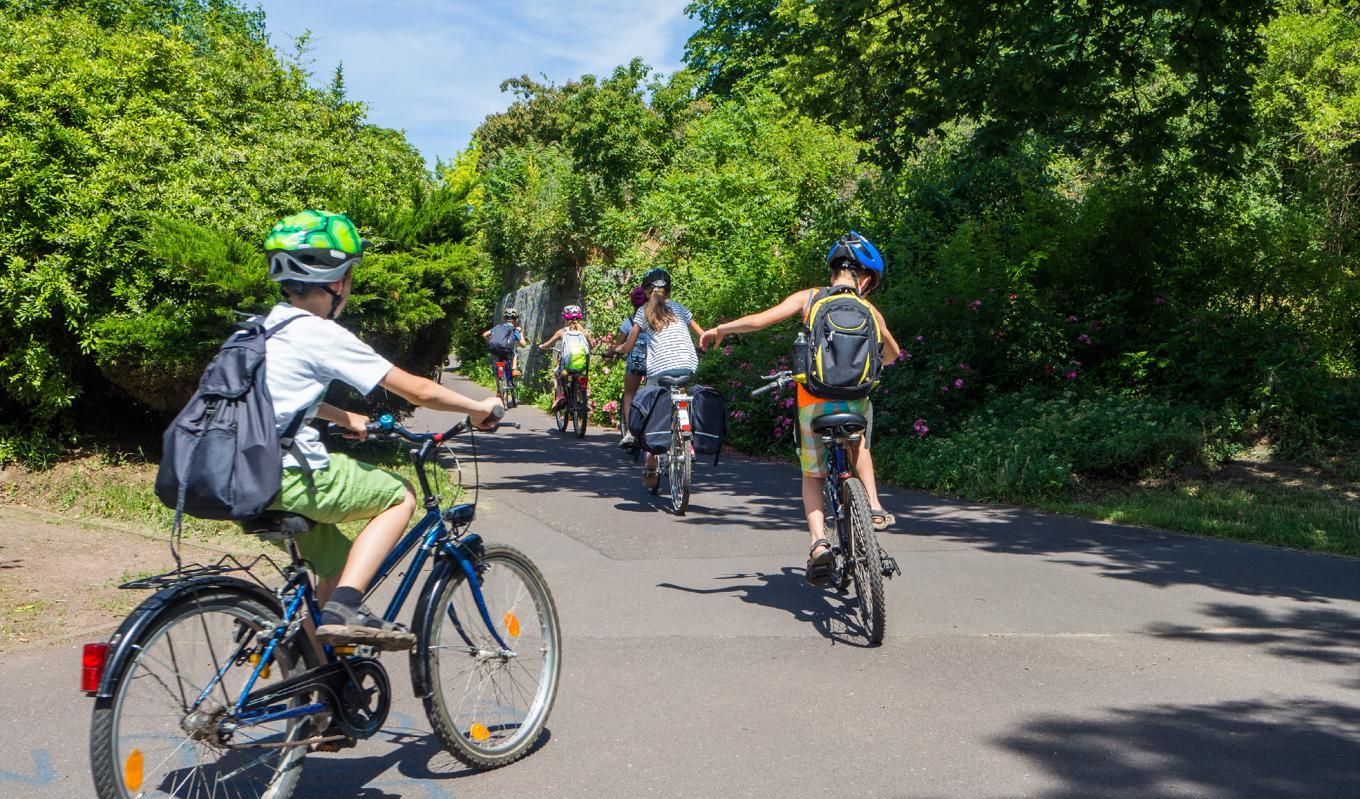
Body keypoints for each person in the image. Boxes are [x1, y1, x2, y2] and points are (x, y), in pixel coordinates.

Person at [261, 210, 500, 649]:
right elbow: (417, 390)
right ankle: (347, 607)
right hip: (288, 475)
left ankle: (316, 696)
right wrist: (478, 406)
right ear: (336, 280)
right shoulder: (318, 332)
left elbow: (280, 398)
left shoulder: (263, 329)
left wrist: (344, 417)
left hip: (241, 481)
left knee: (333, 569)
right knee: (400, 494)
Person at [700, 232, 901, 584]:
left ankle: (819, 543)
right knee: (860, 442)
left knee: (812, 476)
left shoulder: (811, 298)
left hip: (812, 404)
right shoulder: (869, 309)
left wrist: (720, 329)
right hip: (854, 402)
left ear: (833, 270)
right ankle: (874, 505)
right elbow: (893, 354)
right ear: (865, 278)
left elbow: (761, 320)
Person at [610, 269, 706, 489]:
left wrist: (620, 349)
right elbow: (702, 334)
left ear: (645, 291)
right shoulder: (680, 308)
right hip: (688, 365)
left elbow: (629, 344)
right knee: (681, 389)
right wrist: (705, 345)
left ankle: (651, 464)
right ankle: (686, 434)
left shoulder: (643, 312)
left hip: (660, 369)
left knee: (653, 412)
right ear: (669, 290)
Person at [615, 285, 650, 448]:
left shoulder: (629, 322)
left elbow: (618, 344)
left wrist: (611, 353)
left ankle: (630, 433)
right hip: (653, 364)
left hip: (634, 364)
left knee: (629, 393)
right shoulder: (655, 320)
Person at [539, 305, 591, 410]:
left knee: (556, 374)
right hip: (582, 365)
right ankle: (580, 399)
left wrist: (542, 347)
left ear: (565, 318)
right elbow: (590, 346)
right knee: (580, 377)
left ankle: (559, 396)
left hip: (567, 367)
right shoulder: (583, 332)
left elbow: (547, 344)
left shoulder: (562, 332)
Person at [482, 308, 526, 403]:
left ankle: (499, 390)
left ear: (504, 318)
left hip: (496, 353)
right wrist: (520, 332)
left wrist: (491, 342)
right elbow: (523, 344)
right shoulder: (515, 329)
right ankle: (514, 369)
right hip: (508, 354)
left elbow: (485, 334)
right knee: (514, 351)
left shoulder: (498, 327)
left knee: (498, 371)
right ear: (515, 318)